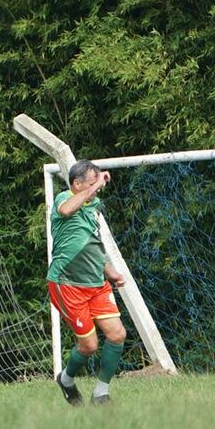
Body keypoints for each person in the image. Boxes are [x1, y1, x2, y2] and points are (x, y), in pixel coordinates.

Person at [47, 159, 127, 406]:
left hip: (96, 285)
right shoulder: (63, 198)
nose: (98, 188)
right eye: (92, 184)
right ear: (76, 184)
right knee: (89, 346)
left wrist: (110, 271)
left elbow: (92, 244)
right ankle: (67, 380)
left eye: (98, 184)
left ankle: (101, 393)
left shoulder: (93, 208)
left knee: (117, 334)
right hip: (67, 284)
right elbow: (66, 211)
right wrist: (95, 187)